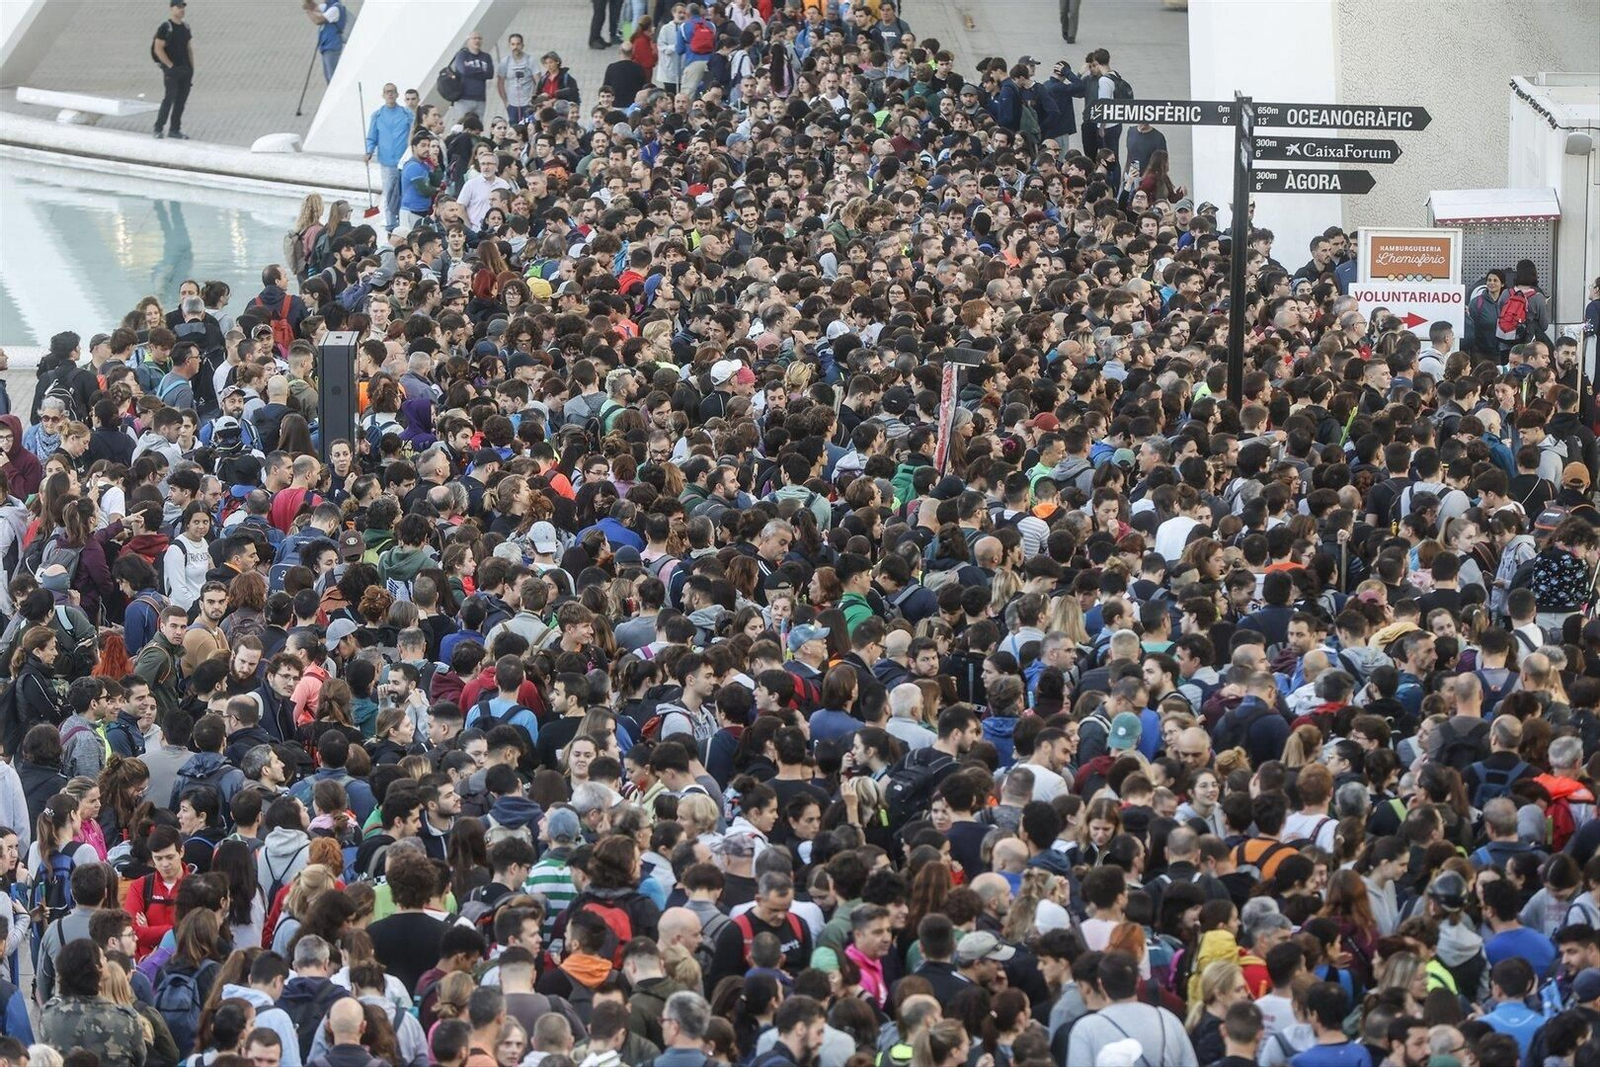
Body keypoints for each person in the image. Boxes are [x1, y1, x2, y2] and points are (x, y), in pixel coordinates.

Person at [151, 0, 193, 140]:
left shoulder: (186, 27)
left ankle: (175, 130)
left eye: (183, 7)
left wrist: (191, 67)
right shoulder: (166, 27)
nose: (181, 9)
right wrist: (170, 66)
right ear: (171, 9)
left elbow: (188, 47)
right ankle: (158, 128)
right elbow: (158, 48)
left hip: (185, 70)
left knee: (181, 101)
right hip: (172, 71)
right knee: (169, 99)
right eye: (178, 7)